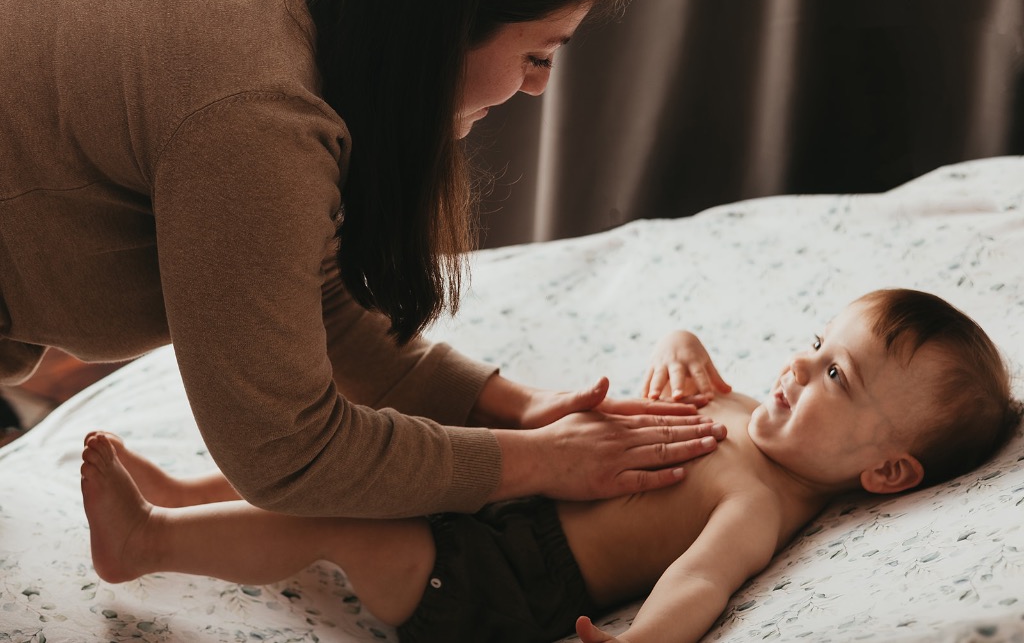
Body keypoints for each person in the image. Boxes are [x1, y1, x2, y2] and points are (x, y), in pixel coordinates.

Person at [0, 0, 728, 519]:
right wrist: (541, 462)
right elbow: (288, 451)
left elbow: (305, 296)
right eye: (538, 54)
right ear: (448, 20)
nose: (537, 88)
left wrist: (512, 404)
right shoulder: (256, 112)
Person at [80, 288, 1021, 642]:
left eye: (835, 377)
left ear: (887, 473)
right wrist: (681, 338)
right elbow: (681, 367)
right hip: (506, 484)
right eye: (815, 344)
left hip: (493, 579)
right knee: (364, 445)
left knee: (338, 523)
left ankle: (149, 539)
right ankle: (191, 485)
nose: (796, 368)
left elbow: (698, 581)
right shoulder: (745, 409)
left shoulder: (759, 498)